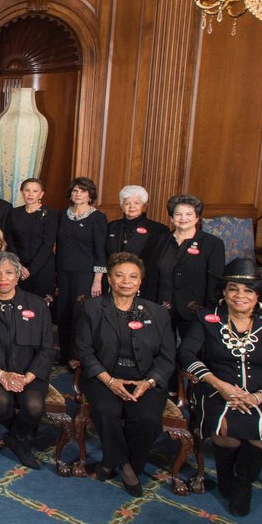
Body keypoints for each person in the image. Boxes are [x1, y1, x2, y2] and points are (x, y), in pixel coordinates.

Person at [179, 259, 262, 517]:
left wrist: (258, 396)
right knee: (225, 428)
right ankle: (225, 474)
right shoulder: (207, 318)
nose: (239, 295)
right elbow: (186, 353)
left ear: (258, 295)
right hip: (215, 388)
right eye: (233, 288)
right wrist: (219, 385)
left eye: (248, 290)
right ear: (224, 292)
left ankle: (242, 484)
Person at [74, 252, 175, 497]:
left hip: (145, 378)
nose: (125, 281)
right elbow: (84, 350)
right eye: (119, 275)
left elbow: (167, 357)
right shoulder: (92, 307)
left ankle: (112, 462)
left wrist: (149, 382)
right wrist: (108, 380)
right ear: (109, 279)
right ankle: (128, 467)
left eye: (133, 276)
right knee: (107, 412)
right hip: (103, 376)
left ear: (140, 281)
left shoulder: (158, 313)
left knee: (148, 419)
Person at [0, 252, 55, 469]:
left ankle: (15, 438)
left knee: (34, 407)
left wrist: (27, 378)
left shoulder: (37, 304)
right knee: (0, 404)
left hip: (29, 370)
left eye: (9, 273)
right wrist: (1, 375)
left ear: (18, 276)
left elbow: (47, 349)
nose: (3, 278)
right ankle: (21, 440)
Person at [144, 194, 225, 338]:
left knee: (191, 351)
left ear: (197, 217)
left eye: (188, 214)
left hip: (194, 309)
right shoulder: (159, 240)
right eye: (178, 214)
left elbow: (215, 281)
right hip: (161, 307)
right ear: (171, 218)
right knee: (163, 351)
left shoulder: (212, 244)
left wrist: (209, 310)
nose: (183, 218)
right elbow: (149, 274)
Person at [55, 177, 108, 364]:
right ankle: (65, 355)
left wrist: (97, 279)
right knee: (63, 313)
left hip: (85, 274)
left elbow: (100, 251)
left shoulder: (97, 218)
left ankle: (79, 357)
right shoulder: (62, 214)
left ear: (90, 195)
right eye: (75, 191)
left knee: (80, 314)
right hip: (63, 272)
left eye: (83, 191)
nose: (78, 194)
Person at [3, 178, 57, 300]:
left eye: (35, 191)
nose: (30, 194)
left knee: (40, 305)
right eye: (27, 190)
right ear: (22, 192)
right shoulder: (14, 213)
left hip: (42, 268)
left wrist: (31, 269)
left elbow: (47, 244)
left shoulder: (50, 214)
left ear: (41, 194)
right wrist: (19, 265)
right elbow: (10, 240)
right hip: (18, 266)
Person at [106, 185, 161, 259]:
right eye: (127, 203)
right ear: (122, 206)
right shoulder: (111, 226)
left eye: (137, 203)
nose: (132, 206)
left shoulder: (157, 229)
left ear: (144, 206)